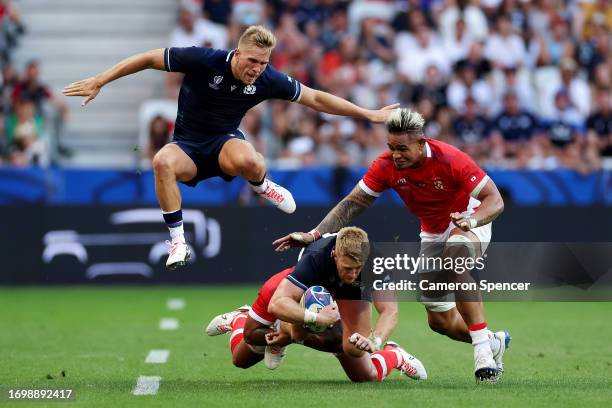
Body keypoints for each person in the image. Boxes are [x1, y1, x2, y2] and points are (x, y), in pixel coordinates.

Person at [62, 25, 397, 270]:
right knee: (162, 162)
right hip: (188, 148)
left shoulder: (267, 79)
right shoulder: (205, 60)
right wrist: (100, 80)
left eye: (263, 63)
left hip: (224, 143)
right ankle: (178, 242)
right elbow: (149, 58)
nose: (257, 69)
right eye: (252, 61)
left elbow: (315, 98)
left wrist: (366, 113)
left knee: (250, 160)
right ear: (237, 53)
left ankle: (262, 185)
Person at [274, 108, 510, 382]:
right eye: (391, 147)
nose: (395, 154)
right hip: (432, 232)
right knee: (440, 322)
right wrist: (314, 234)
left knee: (456, 254)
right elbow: (353, 203)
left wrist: (472, 220)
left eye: (402, 148)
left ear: (421, 144)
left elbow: (495, 200)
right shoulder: (386, 166)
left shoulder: (450, 158)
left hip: (469, 218)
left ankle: (482, 353)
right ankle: (493, 342)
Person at [270, 227, 427, 382]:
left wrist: (375, 340)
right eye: (348, 268)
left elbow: (390, 311)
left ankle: (395, 355)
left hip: (354, 292)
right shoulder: (316, 256)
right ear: (336, 255)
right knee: (291, 335)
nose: (353, 274)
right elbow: (276, 304)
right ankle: (277, 330)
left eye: (358, 268)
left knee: (358, 357)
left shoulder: (377, 261)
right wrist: (317, 318)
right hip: (316, 289)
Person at [205, 268, 343, 371]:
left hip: (321, 304)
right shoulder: (279, 285)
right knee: (241, 360)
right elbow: (250, 335)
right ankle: (240, 318)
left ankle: (283, 329)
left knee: (360, 372)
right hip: (292, 302)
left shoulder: (354, 276)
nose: (353, 271)